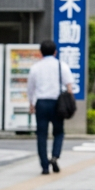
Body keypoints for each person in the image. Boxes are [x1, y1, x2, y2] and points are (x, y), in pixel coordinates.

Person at [28, 39, 75, 174]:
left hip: (41, 103)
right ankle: (55, 156)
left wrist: (31, 103)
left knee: (41, 134)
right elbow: (69, 87)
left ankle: (44, 166)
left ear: (40, 52)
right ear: (55, 52)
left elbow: (31, 88)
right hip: (57, 104)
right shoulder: (62, 66)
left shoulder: (35, 67)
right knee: (58, 132)